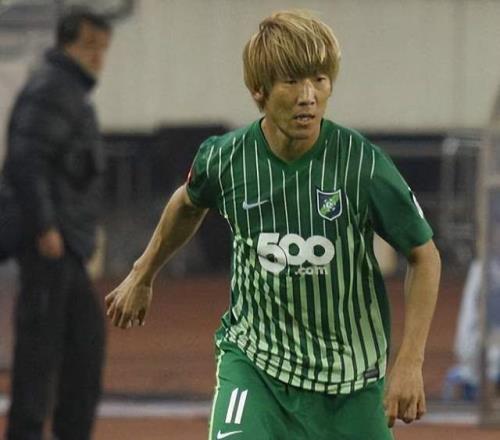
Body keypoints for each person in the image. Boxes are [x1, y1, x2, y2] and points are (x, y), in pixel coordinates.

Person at [106, 10, 440, 439]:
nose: (308, 96)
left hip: (351, 382)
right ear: (258, 90)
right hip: (257, 368)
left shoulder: (362, 165)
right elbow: (187, 203)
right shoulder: (225, 158)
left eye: (319, 79)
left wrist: (410, 361)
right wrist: (142, 273)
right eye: (292, 81)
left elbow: (424, 256)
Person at [2, 9, 111, 440]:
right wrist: (46, 227)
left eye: (103, 49)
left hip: (67, 246)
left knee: (84, 347)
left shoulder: (66, 91)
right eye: (90, 47)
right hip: (50, 247)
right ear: (67, 44)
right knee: (39, 358)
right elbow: (25, 161)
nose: (98, 58)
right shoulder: (52, 89)